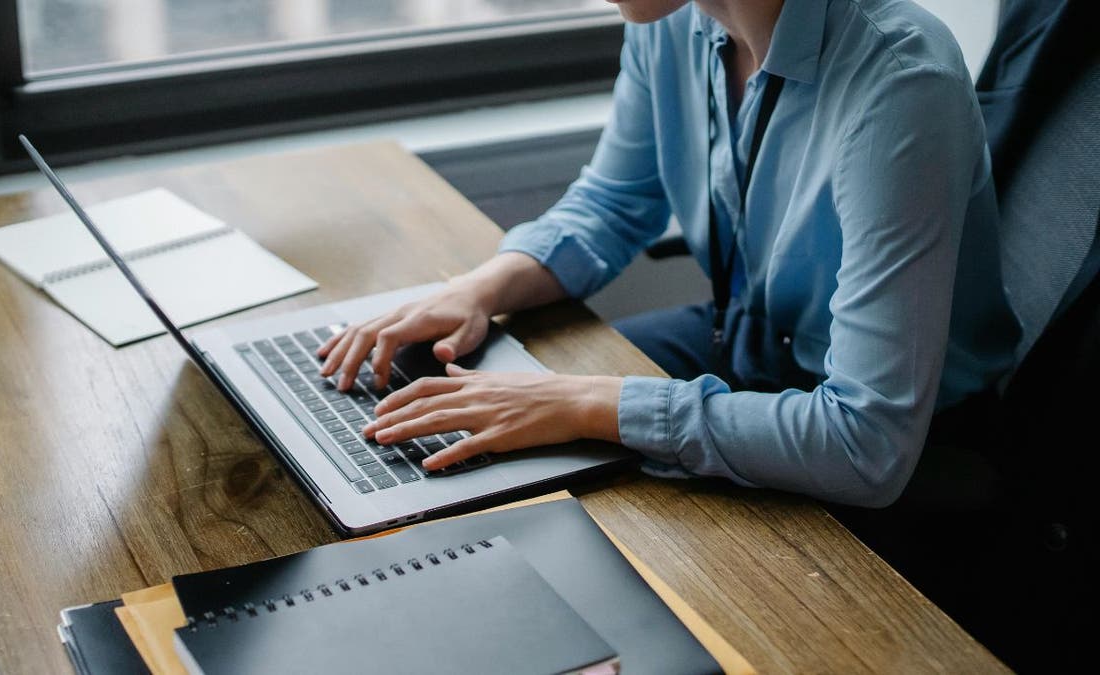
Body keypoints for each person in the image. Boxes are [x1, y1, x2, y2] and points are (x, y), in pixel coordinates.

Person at [317, 0, 1018, 508]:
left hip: (902, 442)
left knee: (571, 491)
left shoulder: (900, 81)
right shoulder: (677, 21)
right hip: (745, 344)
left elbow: (866, 444)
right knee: (456, 432)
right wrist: (480, 289)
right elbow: (614, 204)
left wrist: (584, 403)